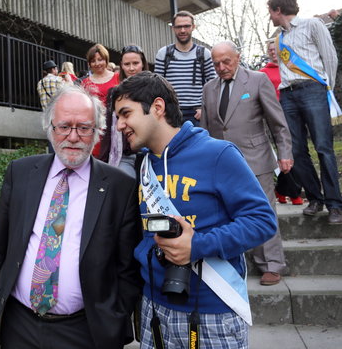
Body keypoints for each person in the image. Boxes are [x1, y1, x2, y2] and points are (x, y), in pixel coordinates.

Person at [112, 71, 276, 349]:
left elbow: (262, 221)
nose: (119, 125)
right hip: (153, 306)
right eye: (117, 117)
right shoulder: (144, 165)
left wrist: (198, 245)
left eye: (125, 113)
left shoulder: (218, 153)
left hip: (212, 309)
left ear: (157, 107)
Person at [0, 85, 142, 349]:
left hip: (83, 331)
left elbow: (128, 268)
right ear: (50, 128)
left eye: (83, 128)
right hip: (18, 323)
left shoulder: (120, 187)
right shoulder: (21, 172)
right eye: (64, 126)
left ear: (97, 133)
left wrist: (115, 319)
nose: (73, 137)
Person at [200, 41, 292, 286]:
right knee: (229, 213)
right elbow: (206, 129)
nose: (221, 67)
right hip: (222, 164)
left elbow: (278, 122)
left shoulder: (257, 80)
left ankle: (272, 264)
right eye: (216, 63)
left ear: (238, 58)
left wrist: (285, 152)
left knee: (264, 211)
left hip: (256, 158)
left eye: (226, 61)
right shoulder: (209, 88)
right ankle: (235, 261)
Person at [268, 0, 342, 225]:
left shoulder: (313, 25)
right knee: (296, 150)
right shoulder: (279, 37)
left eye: (270, 11)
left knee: (323, 148)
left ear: (278, 10)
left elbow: (330, 57)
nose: (269, 16)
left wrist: (325, 87)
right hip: (288, 95)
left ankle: (335, 204)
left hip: (313, 89)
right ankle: (315, 197)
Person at [260, 40, 303, 205]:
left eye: (275, 49)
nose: (272, 52)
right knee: (283, 155)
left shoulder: (290, 69)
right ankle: (293, 192)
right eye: (270, 49)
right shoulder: (263, 73)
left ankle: (281, 189)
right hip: (274, 118)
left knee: (297, 152)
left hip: (293, 115)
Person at [154, 10, 216, 126]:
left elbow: (213, 85)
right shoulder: (163, 54)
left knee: (198, 144)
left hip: (196, 114)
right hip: (171, 112)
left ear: (193, 27)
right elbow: (157, 86)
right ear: (173, 28)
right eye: (179, 27)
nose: (182, 30)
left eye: (186, 26)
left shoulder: (204, 53)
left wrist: (205, 108)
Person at [99, 45, 150, 177]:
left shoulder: (155, 89)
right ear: (121, 65)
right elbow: (109, 129)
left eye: (135, 63)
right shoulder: (114, 93)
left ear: (143, 64)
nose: (131, 68)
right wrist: (103, 159)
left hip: (152, 152)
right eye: (127, 64)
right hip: (123, 155)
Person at [81, 44, 119, 157]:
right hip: (95, 127)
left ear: (106, 60)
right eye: (93, 61)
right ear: (89, 63)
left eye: (100, 59)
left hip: (115, 126)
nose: (97, 63)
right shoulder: (85, 82)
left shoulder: (117, 77)